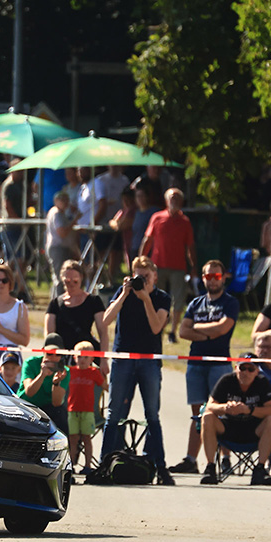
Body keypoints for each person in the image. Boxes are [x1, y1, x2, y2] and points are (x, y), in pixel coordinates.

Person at [100, 255, 174, 485]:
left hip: (149, 360)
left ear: (154, 276)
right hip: (123, 358)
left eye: (146, 276)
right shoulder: (126, 293)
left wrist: (146, 299)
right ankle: (106, 464)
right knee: (114, 414)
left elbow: (156, 327)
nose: (141, 280)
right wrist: (124, 293)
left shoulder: (162, 298)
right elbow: (105, 320)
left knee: (152, 414)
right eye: (138, 275)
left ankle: (158, 465)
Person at [170, 259, 239, 475]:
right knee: (197, 413)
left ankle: (225, 458)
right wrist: (208, 331)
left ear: (223, 277)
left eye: (216, 276)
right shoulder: (196, 303)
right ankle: (191, 459)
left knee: (222, 410)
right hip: (196, 362)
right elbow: (183, 332)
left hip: (219, 363)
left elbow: (222, 328)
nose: (212, 280)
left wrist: (198, 328)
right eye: (208, 276)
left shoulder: (230, 303)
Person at [198, 354, 271, 486]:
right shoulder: (226, 380)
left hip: (253, 429)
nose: (246, 373)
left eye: (250, 369)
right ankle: (210, 467)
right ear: (236, 368)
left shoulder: (262, 383)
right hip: (228, 427)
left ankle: (260, 469)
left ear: (256, 371)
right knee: (207, 417)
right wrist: (225, 407)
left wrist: (249, 410)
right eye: (242, 368)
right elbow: (210, 405)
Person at [139, 188, 196, 342]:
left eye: (177, 198)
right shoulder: (157, 217)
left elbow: (190, 246)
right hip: (157, 265)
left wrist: (194, 266)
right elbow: (147, 240)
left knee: (178, 299)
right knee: (156, 297)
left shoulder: (185, 222)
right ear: (166, 200)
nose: (174, 201)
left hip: (178, 266)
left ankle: (173, 331)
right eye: (172, 198)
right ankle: (157, 328)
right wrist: (141, 261)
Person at [44, 260, 108, 372]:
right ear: (62, 279)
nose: (71, 283)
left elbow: (103, 333)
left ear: (81, 278)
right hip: (62, 358)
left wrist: (103, 360)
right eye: (67, 281)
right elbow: (49, 336)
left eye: (75, 280)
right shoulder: (55, 304)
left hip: (85, 358)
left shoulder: (93, 301)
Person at [66, 340, 107, 475]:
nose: (82, 360)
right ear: (74, 357)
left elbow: (105, 386)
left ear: (92, 358)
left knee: (86, 438)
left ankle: (88, 465)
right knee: (73, 439)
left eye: (86, 357)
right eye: (79, 357)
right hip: (72, 410)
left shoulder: (94, 372)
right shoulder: (70, 371)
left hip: (88, 412)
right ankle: (70, 465)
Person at [16, 333, 70, 434]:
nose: (53, 357)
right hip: (27, 405)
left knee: (61, 415)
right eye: (49, 353)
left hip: (47, 408)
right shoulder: (31, 363)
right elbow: (29, 392)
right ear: (43, 351)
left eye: (58, 354)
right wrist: (42, 374)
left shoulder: (63, 371)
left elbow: (56, 403)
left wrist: (56, 383)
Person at [45, 191, 78, 291]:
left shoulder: (61, 213)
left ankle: (56, 299)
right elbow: (62, 232)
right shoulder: (57, 213)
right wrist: (74, 222)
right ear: (56, 201)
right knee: (60, 277)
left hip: (60, 248)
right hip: (57, 248)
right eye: (62, 200)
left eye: (66, 200)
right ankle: (58, 302)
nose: (65, 203)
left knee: (60, 276)